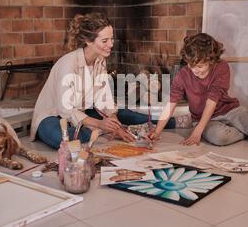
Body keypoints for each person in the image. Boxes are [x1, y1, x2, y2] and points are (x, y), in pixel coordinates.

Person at [30, 12, 177, 149]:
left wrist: (113, 123)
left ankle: (169, 122)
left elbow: (104, 98)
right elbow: (65, 110)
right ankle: (96, 130)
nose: (111, 44)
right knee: (62, 139)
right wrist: (101, 124)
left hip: (82, 113)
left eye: (112, 39)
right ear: (89, 41)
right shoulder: (68, 64)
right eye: (105, 40)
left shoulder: (100, 61)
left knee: (122, 114)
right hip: (53, 116)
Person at [149, 33, 248, 146]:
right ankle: (242, 131)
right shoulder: (182, 75)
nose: (194, 70)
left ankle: (238, 126)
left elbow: (212, 100)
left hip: (230, 110)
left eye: (199, 66)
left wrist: (198, 132)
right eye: (191, 65)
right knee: (220, 138)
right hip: (204, 119)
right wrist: (157, 132)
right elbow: (170, 105)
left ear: (211, 60)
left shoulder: (221, 67)